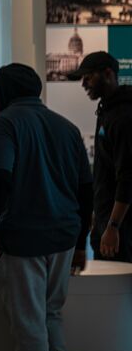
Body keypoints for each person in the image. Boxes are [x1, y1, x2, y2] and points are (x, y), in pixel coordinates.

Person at [0, 63, 93, 351]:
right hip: (63, 236)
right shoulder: (67, 127)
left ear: (2, 94)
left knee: (29, 323)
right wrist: (81, 242)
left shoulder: (4, 122)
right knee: (51, 315)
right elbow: (85, 189)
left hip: (24, 237)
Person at [67, 51, 132, 262]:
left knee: (116, 291)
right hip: (108, 221)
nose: (83, 84)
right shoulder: (107, 110)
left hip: (122, 229)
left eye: (88, 77)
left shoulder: (123, 115)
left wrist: (113, 226)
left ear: (107, 74)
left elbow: (127, 177)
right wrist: (98, 214)